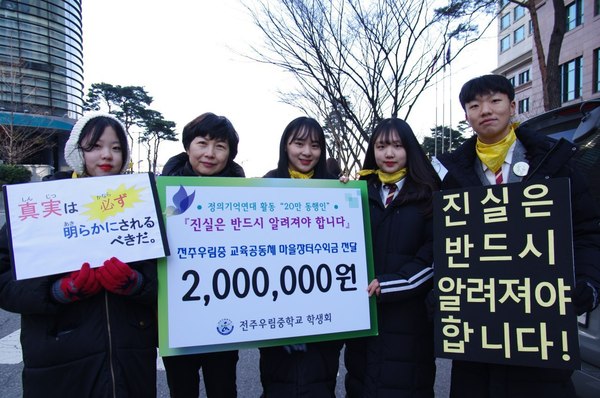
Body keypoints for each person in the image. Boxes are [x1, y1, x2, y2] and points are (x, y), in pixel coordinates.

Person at [435, 74, 600, 397]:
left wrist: (588, 283)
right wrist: (441, 294)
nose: (485, 110)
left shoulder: (556, 162)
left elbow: (587, 231)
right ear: (467, 117)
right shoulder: (453, 176)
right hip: (478, 329)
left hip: (540, 325)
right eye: (474, 105)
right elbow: (443, 244)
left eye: (494, 101)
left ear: (512, 106)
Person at [0, 112, 158, 397]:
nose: (106, 155)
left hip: (130, 358)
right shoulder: (40, 204)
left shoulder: (142, 202)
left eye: (116, 147)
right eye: (94, 146)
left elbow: (171, 274)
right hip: (59, 360)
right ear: (77, 151)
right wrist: (57, 291)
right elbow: (3, 277)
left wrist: (137, 284)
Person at [343, 118, 440, 397]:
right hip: (364, 320)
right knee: (361, 383)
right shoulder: (358, 192)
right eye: (381, 145)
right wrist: (336, 195)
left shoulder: (429, 194)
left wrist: (389, 284)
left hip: (410, 321)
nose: (389, 153)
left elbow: (432, 260)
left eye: (397, 146)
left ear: (409, 149)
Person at [161, 112, 244, 398]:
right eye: (202, 143)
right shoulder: (160, 193)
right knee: (181, 390)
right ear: (187, 146)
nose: (210, 154)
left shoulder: (247, 197)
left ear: (230, 154)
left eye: (220, 146)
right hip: (177, 319)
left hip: (224, 317)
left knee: (223, 388)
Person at [260, 116, 343, 397]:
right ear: (285, 146)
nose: (307, 152)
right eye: (299, 143)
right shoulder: (264, 186)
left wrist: (348, 194)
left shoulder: (336, 189)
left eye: (315, 145)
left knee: (320, 383)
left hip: (324, 310)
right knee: (277, 383)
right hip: (274, 310)